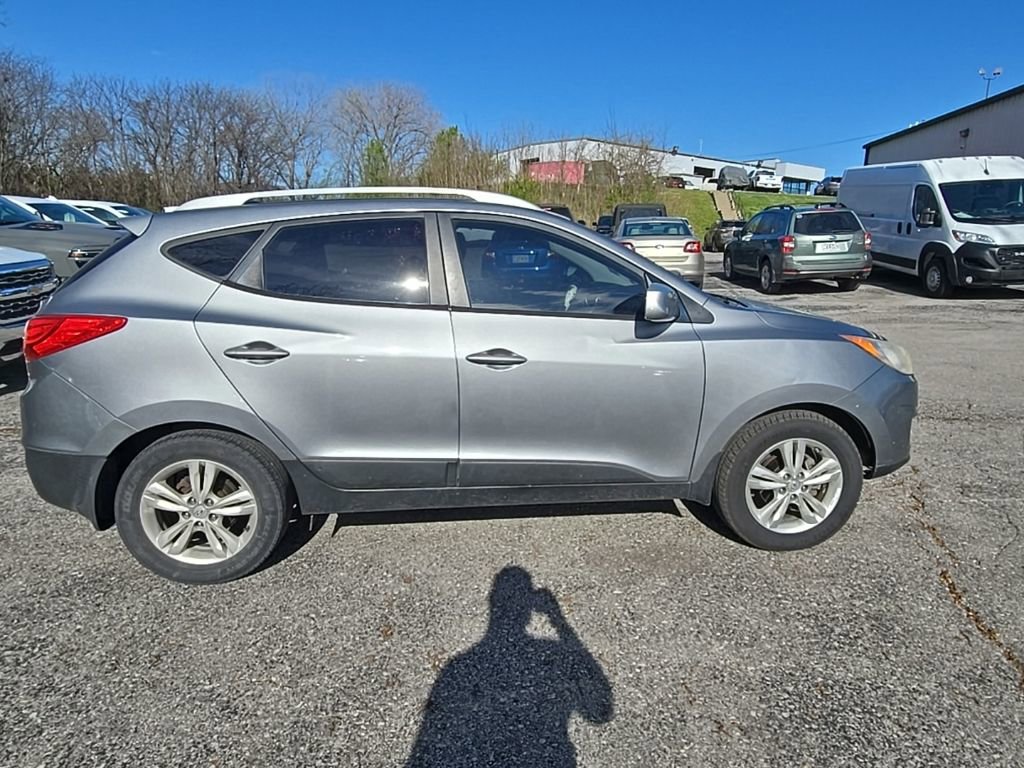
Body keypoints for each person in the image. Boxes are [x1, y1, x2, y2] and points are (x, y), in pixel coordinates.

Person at [405, 566, 613, 767]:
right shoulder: (553, 653)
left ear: (491, 603)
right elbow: (600, 712)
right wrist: (557, 619)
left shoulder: (457, 666)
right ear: (530, 610)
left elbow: (428, 746)